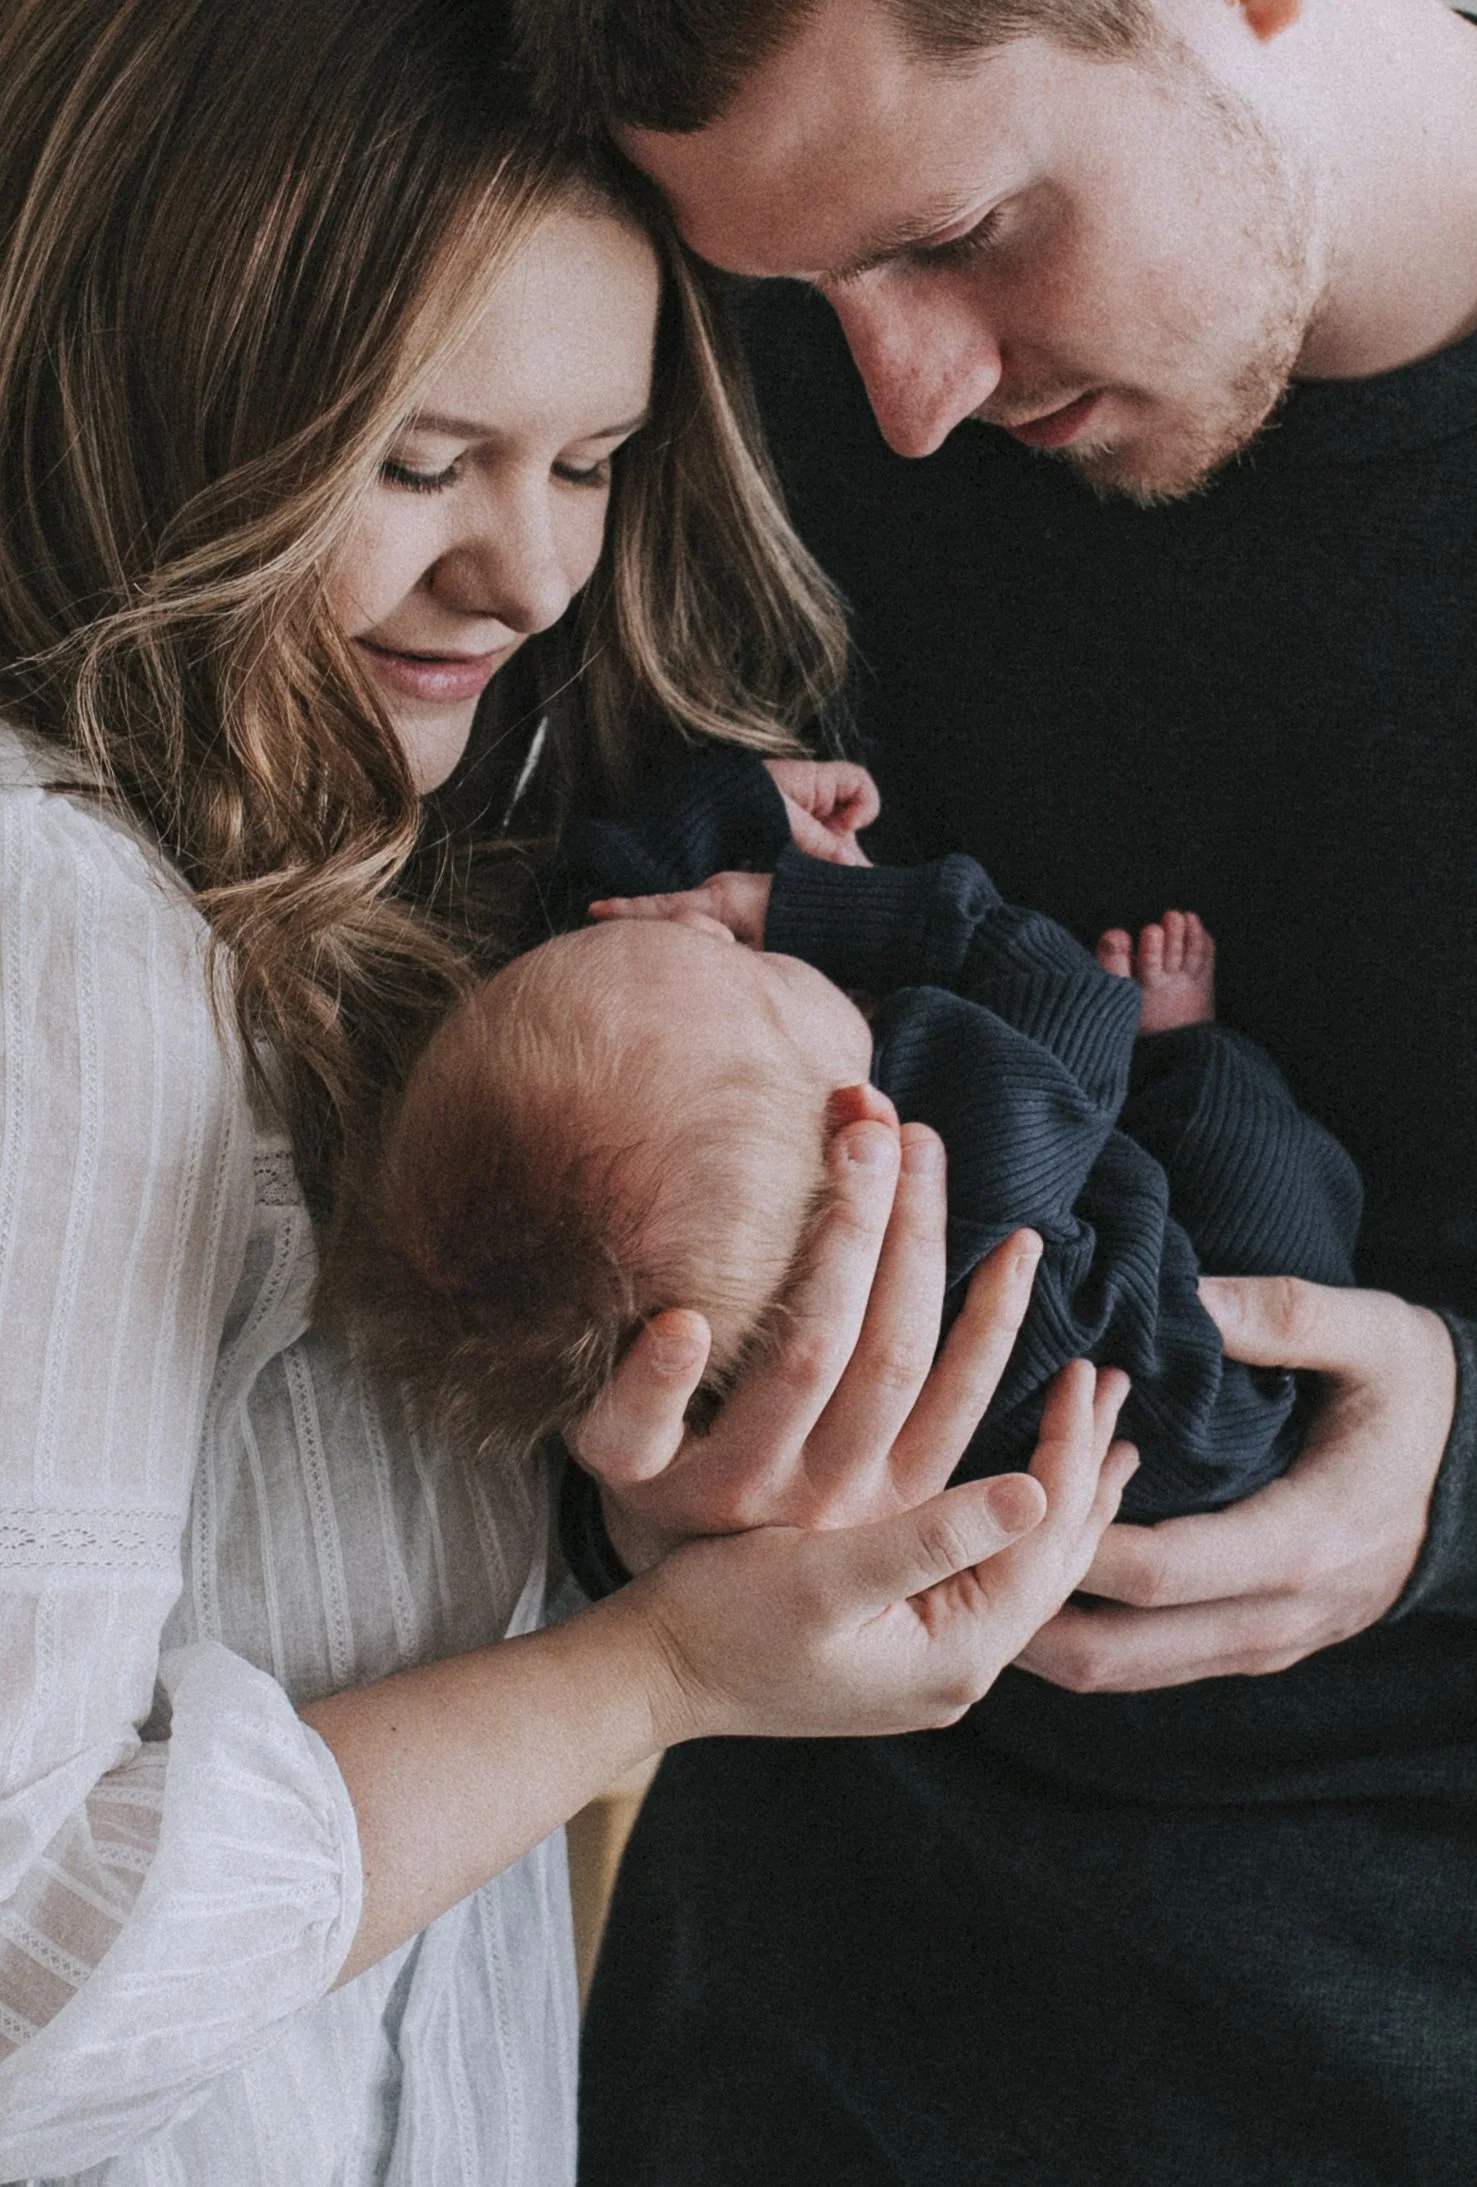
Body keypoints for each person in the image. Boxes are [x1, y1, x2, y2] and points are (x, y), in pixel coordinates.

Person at [0, 1, 1142, 2179]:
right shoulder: (53, 931)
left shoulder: (377, 879)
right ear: (161, 409)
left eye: (590, 463)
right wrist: (659, 1670)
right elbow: (15, 1976)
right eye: (422, 464)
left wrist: (664, 1508)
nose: (526, 574)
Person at [510, 0, 1477, 2180]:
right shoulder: (713, 406)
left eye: (958, 236)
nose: (909, 400)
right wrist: (638, 1463)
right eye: (802, 290)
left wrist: (1459, 1470)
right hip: (766, 2038)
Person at [329, 745, 1358, 1519]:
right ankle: (1196, 1045)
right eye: (758, 967)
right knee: (1218, 1117)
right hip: (1220, 1384)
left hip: (1026, 1429)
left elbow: (598, 913)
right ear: (864, 1125)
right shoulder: (969, 1161)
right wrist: (806, 908)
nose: (708, 925)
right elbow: (1054, 980)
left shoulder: (655, 1312)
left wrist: (733, 805)